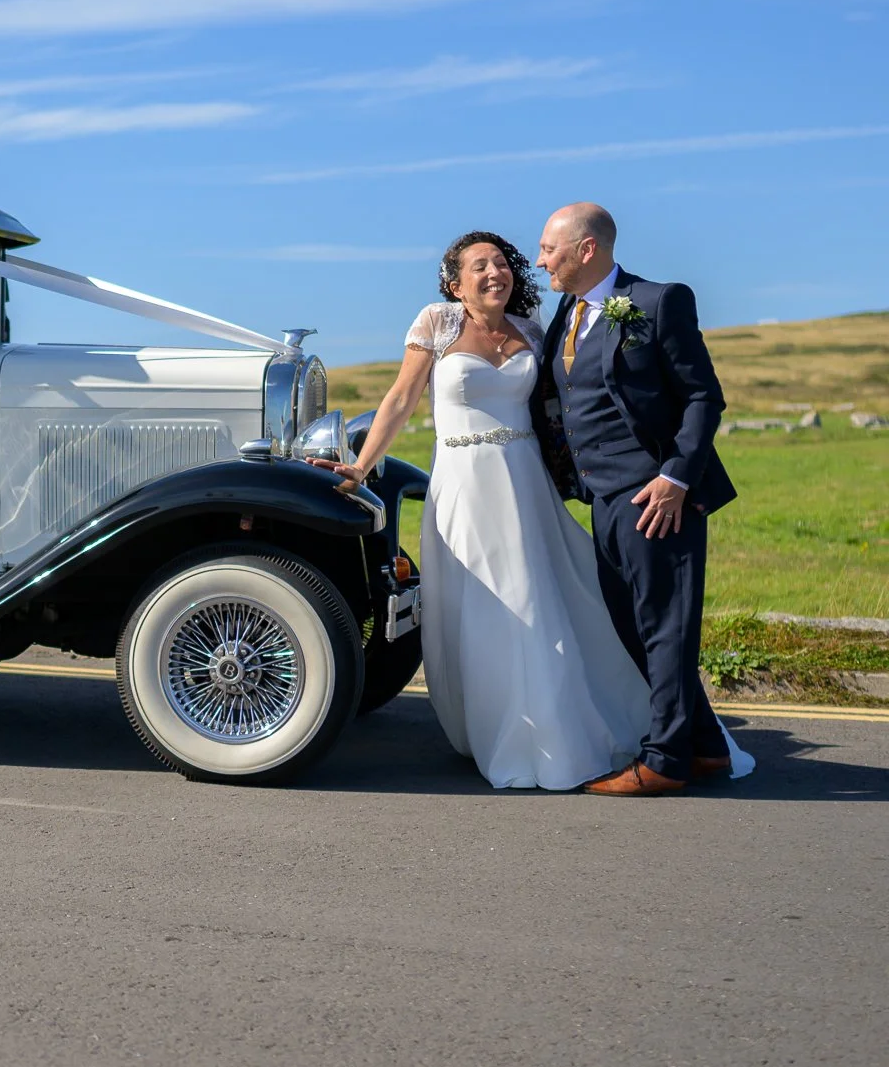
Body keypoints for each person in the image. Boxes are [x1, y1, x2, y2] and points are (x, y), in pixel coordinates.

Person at [311, 224, 751, 791]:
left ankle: (636, 734)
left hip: (527, 486)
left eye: (503, 262)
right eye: (479, 266)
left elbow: (572, 403)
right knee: (488, 609)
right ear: (454, 283)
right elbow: (399, 398)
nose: (495, 272)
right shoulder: (435, 324)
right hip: (465, 488)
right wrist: (361, 466)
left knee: (555, 605)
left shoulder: (536, 328)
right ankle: (504, 729)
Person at [530, 203, 747, 795]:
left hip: (656, 495)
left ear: (587, 249)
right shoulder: (566, 313)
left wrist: (677, 477)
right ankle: (703, 747)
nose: (541, 259)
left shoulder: (657, 301)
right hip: (602, 497)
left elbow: (704, 397)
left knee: (665, 628)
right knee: (633, 624)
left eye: (550, 248)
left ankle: (665, 762)